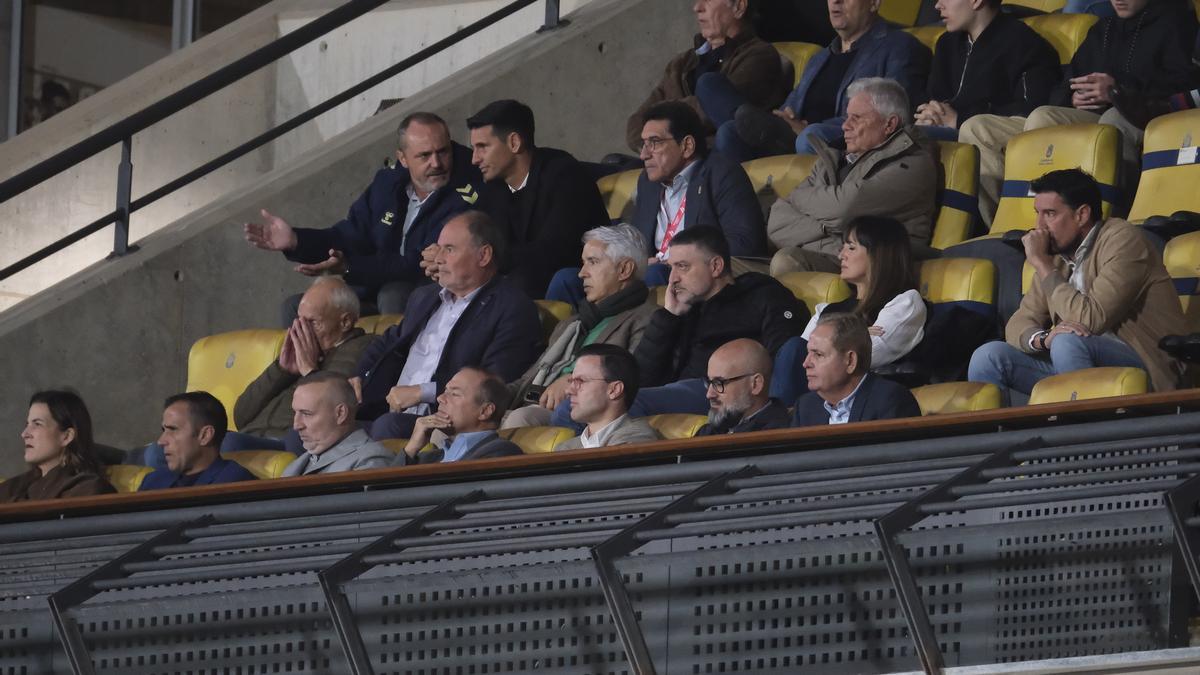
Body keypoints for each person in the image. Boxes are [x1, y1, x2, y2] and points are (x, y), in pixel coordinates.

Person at [959, 0, 1200, 224]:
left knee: (1112, 121)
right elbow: (1065, 83)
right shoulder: (1103, 28)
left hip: (1140, 111)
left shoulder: (1175, 22)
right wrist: (1073, 97)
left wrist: (1117, 90)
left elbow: (1181, 84)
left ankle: (1105, 224)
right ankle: (1014, 223)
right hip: (1092, 113)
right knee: (1033, 117)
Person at [968, 169, 1186, 405]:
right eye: (1037, 214)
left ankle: (1081, 427)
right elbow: (1017, 324)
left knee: (1067, 342)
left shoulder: (1123, 239)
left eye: (1050, 214)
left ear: (1082, 215)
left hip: (1146, 368)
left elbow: (1090, 320)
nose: (1038, 226)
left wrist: (1042, 264)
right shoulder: (1057, 258)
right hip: (1075, 361)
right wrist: (1043, 339)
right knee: (988, 356)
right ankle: (1009, 431)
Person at [244, 112, 481, 323]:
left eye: (443, 152)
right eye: (424, 155)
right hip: (369, 292)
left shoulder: (467, 192)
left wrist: (350, 267)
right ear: (403, 158)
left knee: (393, 293)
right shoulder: (387, 184)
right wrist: (296, 240)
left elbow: (416, 263)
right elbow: (350, 236)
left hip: (423, 294)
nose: (436, 163)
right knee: (296, 307)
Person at [544, 101, 766, 304]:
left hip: (687, 276)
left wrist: (672, 261)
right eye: (643, 144)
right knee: (565, 280)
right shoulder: (648, 183)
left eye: (654, 143)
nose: (643, 155)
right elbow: (637, 244)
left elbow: (745, 243)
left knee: (655, 273)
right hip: (650, 272)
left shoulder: (721, 173)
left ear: (687, 145)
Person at [354, 211, 542, 440]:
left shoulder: (512, 307)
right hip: (384, 409)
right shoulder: (424, 297)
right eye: (439, 248)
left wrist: (423, 392)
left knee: (386, 426)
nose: (438, 259)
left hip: (440, 420)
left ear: (483, 256)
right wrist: (357, 378)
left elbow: (495, 381)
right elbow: (388, 342)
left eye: (449, 249)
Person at [627, 226, 807, 420]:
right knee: (615, 399)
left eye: (683, 266)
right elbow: (640, 379)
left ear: (716, 266)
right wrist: (669, 316)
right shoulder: (684, 307)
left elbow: (781, 360)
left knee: (628, 401)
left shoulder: (763, 295)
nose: (672, 279)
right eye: (671, 268)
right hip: (684, 389)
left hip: (727, 388)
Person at [712, 0, 930, 159]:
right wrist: (786, 120)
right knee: (728, 132)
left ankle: (754, 120)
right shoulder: (820, 58)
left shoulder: (899, 46)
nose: (835, 1)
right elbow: (790, 107)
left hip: (840, 139)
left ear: (874, 3)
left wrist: (804, 129)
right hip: (793, 138)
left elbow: (896, 111)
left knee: (810, 135)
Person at [768, 77, 937, 276]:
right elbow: (777, 222)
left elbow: (844, 208)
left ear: (889, 124)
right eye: (846, 117)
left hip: (877, 268)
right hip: (835, 256)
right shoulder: (832, 158)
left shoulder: (913, 163)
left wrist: (797, 199)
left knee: (786, 260)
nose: (845, 126)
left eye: (856, 118)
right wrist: (833, 234)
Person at [505, 225, 659, 428]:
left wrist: (574, 382)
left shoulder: (646, 318)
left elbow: (629, 379)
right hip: (532, 401)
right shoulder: (572, 323)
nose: (581, 273)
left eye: (593, 262)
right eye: (583, 263)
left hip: (572, 410)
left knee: (521, 418)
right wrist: (486, 394)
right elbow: (528, 379)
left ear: (624, 269)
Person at [465, 99, 609, 299]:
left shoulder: (564, 175)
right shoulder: (493, 189)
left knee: (519, 283)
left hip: (574, 280)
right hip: (525, 280)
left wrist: (485, 258)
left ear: (514, 142)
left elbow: (554, 252)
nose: (475, 159)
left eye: (483, 147)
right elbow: (481, 238)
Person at [624, 0, 785, 154]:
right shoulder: (680, 64)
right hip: (680, 158)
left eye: (708, 0)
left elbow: (713, 109)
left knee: (708, 87)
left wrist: (658, 124)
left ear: (739, 7)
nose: (697, 7)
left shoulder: (759, 55)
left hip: (723, 153)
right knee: (615, 164)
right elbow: (634, 128)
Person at [232, 277, 373, 452]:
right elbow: (240, 416)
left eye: (312, 322)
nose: (301, 330)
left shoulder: (364, 348)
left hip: (289, 441)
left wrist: (309, 371)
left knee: (230, 443)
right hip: (251, 436)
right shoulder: (302, 351)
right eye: (299, 321)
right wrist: (281, 370)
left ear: (345, 322)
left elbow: (331, 411)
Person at [914, 0, 1059, 143]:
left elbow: (1032, 110)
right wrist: (931, 115)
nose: (938, 5)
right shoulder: (946, 43)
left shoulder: (1025, 44)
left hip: (990, 137)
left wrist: (959, 119)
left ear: (976, 1)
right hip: (946, 133)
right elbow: (935, 97)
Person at [799, 216, 926, 368]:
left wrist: (826, 341)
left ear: (878, 254)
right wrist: (854, 335)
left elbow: (864, 355)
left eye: (851, 248)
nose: (841, 256)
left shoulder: (905, 303)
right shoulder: (826, 310)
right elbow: (798, 358)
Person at [792, 313, 922, 426]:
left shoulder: (890, 401)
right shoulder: (805, 407)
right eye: (808, 353)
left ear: (850, 361)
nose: (806, 363)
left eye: (818, 354)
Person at [2, 391, 115, 502]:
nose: (24, 434)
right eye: (27, 424)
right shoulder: (13, 487)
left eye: (37, 424)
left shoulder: (90, 490)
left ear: (67, 436)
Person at [397, 367, 523, 465]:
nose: (440, 398)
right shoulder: (428, 458)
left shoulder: (501, 453)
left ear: (484, 411)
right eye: (445, 391)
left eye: (454, 394)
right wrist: (411, 448)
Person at [281, 373, 392, 476]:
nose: (296, 425)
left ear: (340, 413)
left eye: (306, 414)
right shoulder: (298, 464)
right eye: (295, 412)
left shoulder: (371, 461)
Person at [140, 392, 257, 490]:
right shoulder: (153, 481)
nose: (161, 441)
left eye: (173, 429)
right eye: (164, 430)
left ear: (205, 435)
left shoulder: (234, 483)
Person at [554, 345, 660, 450]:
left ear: (614, 390)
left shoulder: (637, 440)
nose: (568, 391)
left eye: (580, 381)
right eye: (572, 381)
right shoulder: (565, 448)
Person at [696, 338, 791, 436]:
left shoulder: (778, 435)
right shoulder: (707, 432)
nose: (709, 394)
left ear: (756, 384)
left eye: (719, 383)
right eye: (709, 382)